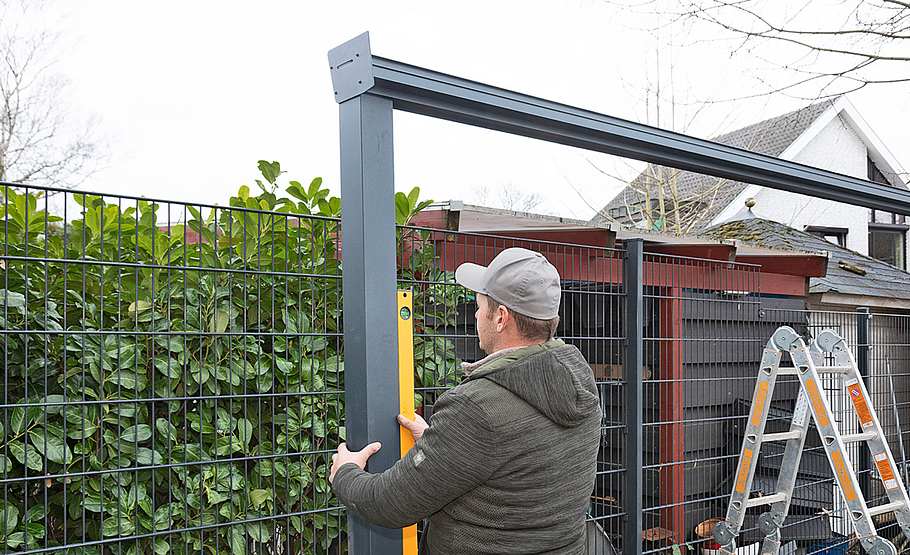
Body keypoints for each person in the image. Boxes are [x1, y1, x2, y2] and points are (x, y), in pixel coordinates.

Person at [329, 247, 602, 554]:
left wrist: (345, 473)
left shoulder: (476, 408)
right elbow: (519, 468)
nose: (474, 314)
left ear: (500, 318)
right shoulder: (580, 386)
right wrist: (445, 446)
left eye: (479, 304)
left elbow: (390, 503)